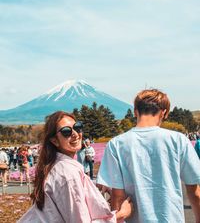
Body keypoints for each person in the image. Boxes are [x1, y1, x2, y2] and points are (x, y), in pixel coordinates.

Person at [97, 89, 200, 223]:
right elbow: (194, 190)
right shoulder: (178, 140)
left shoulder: (116, 144)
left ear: (135, 111)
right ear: (164, 113)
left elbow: (118, 195)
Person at [18, 111, 133, 223]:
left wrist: (91, 188)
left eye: (77, 127)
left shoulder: (56, 166)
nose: (75, 134)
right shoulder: (68, 173)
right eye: (66, 132)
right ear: (54, 141)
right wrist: (121, 214)